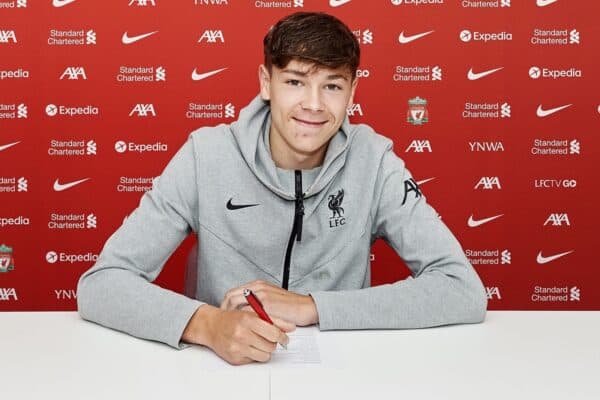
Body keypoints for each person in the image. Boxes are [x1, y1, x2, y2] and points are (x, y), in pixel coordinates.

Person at [77, 12, 487, 365]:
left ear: (352, 92)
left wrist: (311, 307)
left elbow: (461, 289)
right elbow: (103, 284)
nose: (313, 104)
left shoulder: (376, 161)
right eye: (294, 82)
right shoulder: (207, 154)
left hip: (342, 374)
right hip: (221, 374)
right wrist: (206, 324)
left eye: (332, 86)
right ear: (265, 82)